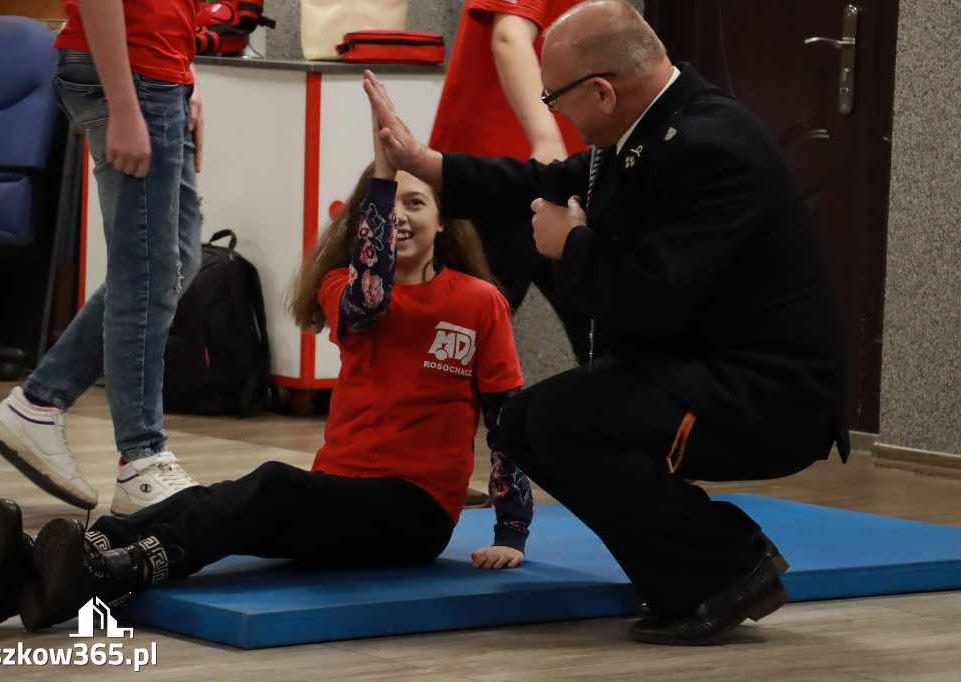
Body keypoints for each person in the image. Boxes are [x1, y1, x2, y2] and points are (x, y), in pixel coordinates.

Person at [363, 0, 849, 646]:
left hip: (770, 396)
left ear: (602, 90)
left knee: (568, 423)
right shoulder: (649, 128)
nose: (553, 111)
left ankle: (725, 569)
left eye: (555, 97)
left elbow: (652, 300)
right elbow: (538, 181)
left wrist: (573, 246)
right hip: (707, 369)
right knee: (532, 420)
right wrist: (427, 163)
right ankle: (709, 562)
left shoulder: (710, 147)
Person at [0, 116, 533, 632]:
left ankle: (119, 567)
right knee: (210, 499)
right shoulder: (343, 287)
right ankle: (40, 569)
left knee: (270, 485)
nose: (402, 218)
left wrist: (511, 532)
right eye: (389, 205)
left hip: (416, 511)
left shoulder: (479, 302)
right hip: (340, 491)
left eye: (417, 204)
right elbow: (371, 295)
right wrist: (379, 180)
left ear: (443, 221)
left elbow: (506, 416)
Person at [0, 0, 205, 517]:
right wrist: (126, 106)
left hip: (162, 74)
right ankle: (142, 461)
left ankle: (38, 404)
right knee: (144, 274)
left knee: (175, 262)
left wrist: (187, 81)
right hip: (135, 75)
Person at [431, 0, 590, 361]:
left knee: (608, 337)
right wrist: (547, 139)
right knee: (454, 355)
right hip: (506, 173)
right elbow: (509, 35)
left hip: (564, 177)